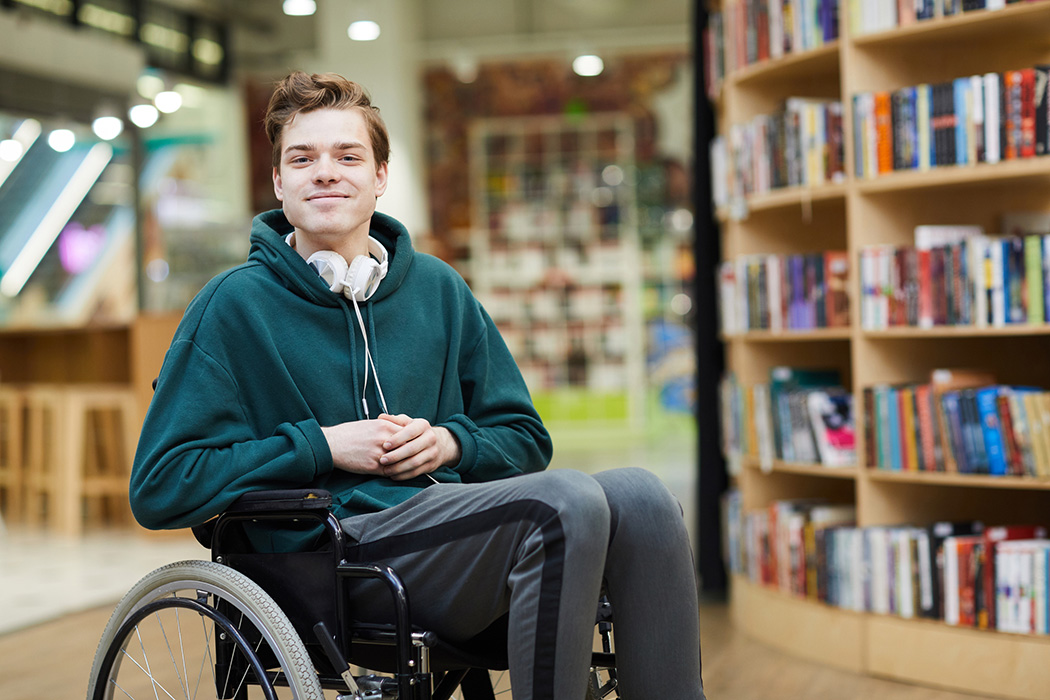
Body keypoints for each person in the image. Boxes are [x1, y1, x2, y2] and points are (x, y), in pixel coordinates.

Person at [130, 70, 706, 700]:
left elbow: (523, 437)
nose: (325, 172)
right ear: (278, 182)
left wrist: (450, 446)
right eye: (302, 158)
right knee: (563, 501)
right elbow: (161, 485)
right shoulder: (232, 306)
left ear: (380, 177)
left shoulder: (438, 289)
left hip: (449, 533)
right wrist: (324, 447)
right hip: (336, 559)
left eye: (348, 156)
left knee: (644, 498)